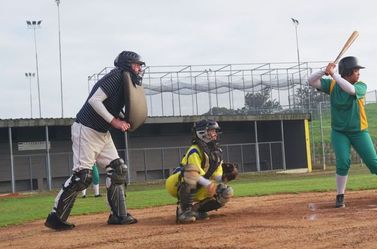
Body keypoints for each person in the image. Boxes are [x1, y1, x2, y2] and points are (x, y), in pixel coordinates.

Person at [45, 51, 147, 230]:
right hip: (86, 129)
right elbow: (95, 101)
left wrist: (122, 117)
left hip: (102, 133)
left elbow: (112, 106)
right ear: (127, 65)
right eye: (137, 64)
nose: (139, 68)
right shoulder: (116, 76)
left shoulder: (126, 81)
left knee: (118, 169)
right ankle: (56, 217)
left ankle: (118, 215)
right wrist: (115, 121)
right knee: (82, 177)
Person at [308, 56, 377, 208]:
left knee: (373, 163)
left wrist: (334, 74)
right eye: (355, 71)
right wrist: (324, 70)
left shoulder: (361, 86)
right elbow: (311, 81)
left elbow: (351, 90)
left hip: (359, 132)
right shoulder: (333, 86)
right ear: (347, 72)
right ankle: (340, 196)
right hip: (339, 132)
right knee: (343, 162)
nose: (358, 73)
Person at [165, 119, 238, 223]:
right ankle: (184, 211)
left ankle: (196, 210)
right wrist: (209, 184)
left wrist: (225, 177)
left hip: (200, 184)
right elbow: (193, 173)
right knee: (191, 172)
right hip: (176, 184)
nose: (215, 133)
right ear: (202, 133)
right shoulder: (195, 150)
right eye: (211, 131)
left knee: (226, 192)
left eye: (215, 131)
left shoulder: (216, 152)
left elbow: (216, 175)